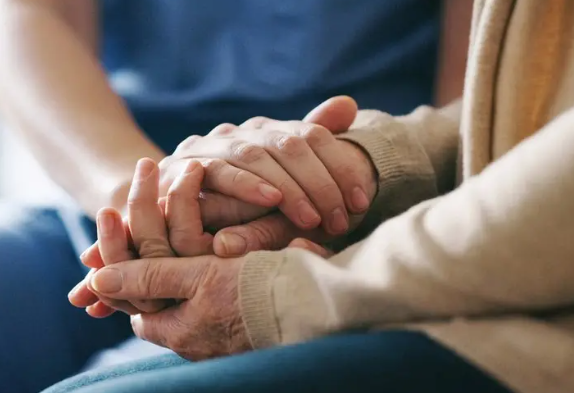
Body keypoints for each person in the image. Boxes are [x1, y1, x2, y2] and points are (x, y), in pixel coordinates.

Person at [0, 1, 471, 393]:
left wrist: (347, 190)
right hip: (104, 212)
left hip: (361, 225)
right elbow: (29, 14)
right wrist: (144, 199)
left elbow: (486, 99)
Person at [46, 0, 574, 392]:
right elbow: (521, 107)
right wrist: (367, 163)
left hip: (520, 312)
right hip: (185, 200)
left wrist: (288, 293)